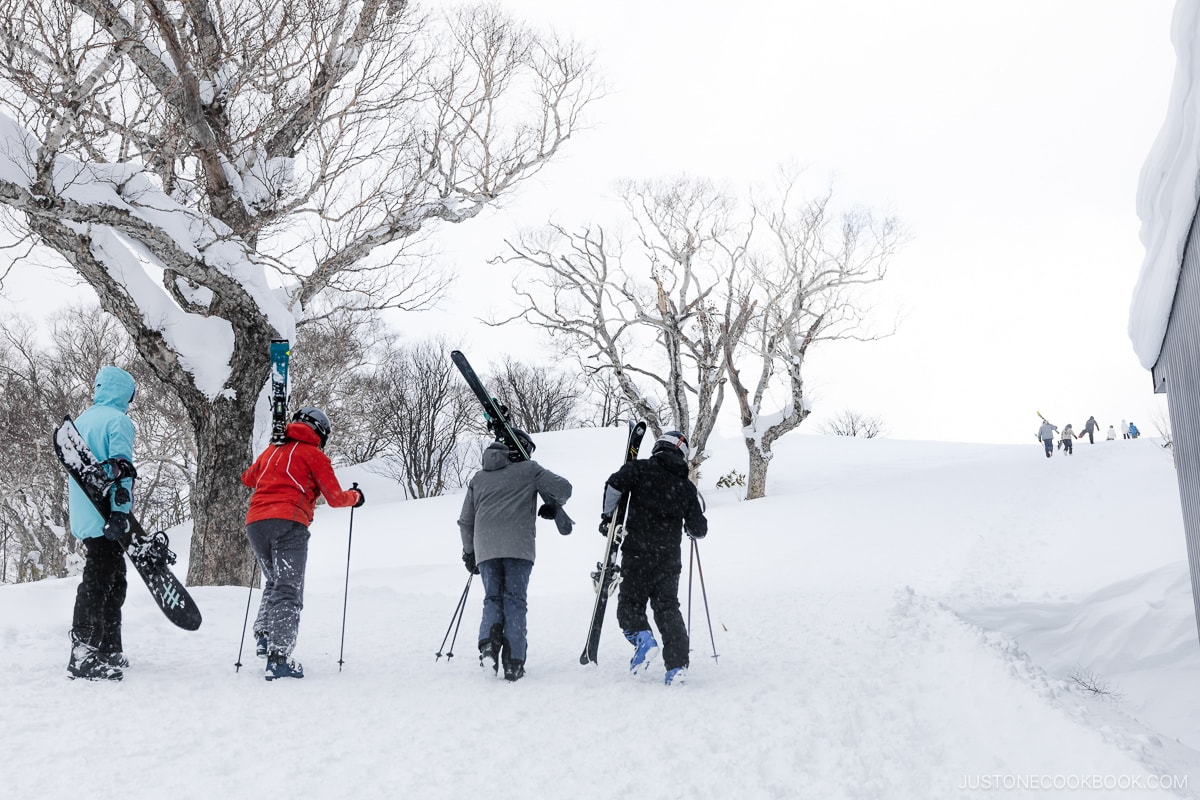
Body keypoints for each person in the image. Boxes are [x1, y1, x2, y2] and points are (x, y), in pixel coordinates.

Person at [242, 406, 364, 681]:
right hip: (289, 523)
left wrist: (272, 452)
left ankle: (264, 636)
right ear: (320, 432)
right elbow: (334, 497)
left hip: (256, 524)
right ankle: (279, 658)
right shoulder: (314, 455)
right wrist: (355, 496)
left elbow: (248, 478)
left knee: (274, 581)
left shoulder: (273, 449)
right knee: (288, 589)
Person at [458, 429, 572, 682]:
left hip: (486, 549)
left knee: (492, 599)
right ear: (521, 449)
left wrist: (469, 553)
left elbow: (466, 521)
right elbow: (564, 488)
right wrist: (553, 504)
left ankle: (488, 646)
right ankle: (514, 662)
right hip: (519, 548)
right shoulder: (530, 470)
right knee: (515, 601)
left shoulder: (479, 478)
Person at [600, 430, 708, 686]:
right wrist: (688, 524)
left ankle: (643, 639)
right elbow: (699, 529)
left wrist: (607, 517)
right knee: (668, 608)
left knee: (630, 604)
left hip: (637, 553)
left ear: (658, 447)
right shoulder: (686, 487)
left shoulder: (639, 469)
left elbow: (613, 485)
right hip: (669, 560)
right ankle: (677, 666)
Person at [67, 366, 138, 681]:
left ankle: (109, 646)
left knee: (113, 578)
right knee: (98, 583)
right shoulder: (118, 421)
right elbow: (121, 469)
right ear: (125, 394)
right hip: (106, 515)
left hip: (84, 514)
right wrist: (121, 513)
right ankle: (83, 655)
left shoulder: (80, 422)